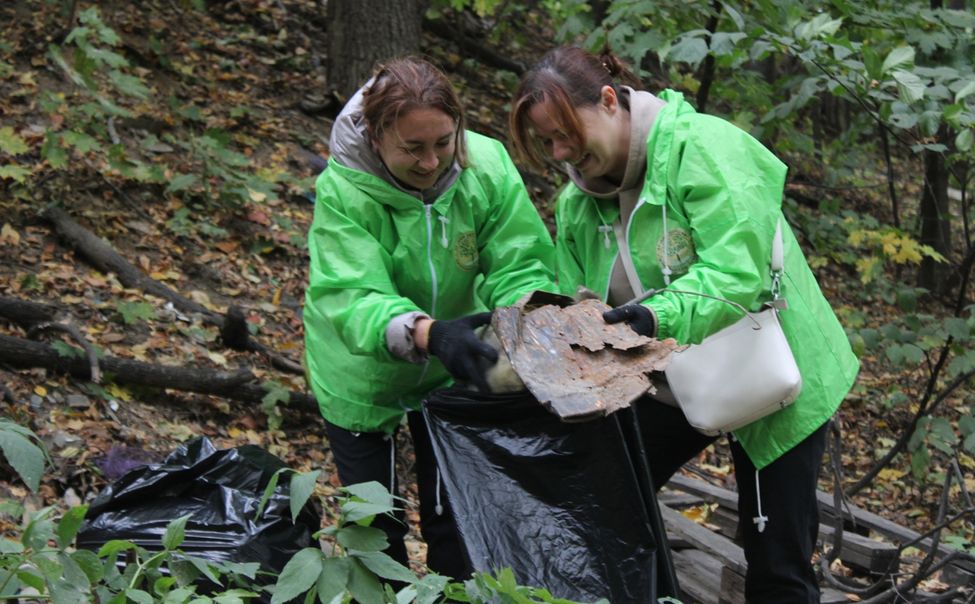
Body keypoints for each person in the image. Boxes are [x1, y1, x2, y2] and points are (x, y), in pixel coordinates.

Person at [509, 46, 859, 603]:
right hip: (668, 374)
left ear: (608, 100)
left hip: (774, 366)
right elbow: (580, 305)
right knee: (603, 500)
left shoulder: (703, 147)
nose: (561, 153)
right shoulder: (578, 205)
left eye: (568, 132)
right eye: (547, 141)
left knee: (777, 561)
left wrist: (653, 315)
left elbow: (736, 272)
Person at [303, 56, 556, 580]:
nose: (430, 161)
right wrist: (426, 332)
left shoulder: (486, 166)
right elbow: (352, 293)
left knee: (455, 521)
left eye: (443, 142)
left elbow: (520, 260)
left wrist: (517, 322)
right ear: (375, 137)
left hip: (453, 365)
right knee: (375, 529)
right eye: (412, 148)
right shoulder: (345, 189)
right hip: (360, 370)